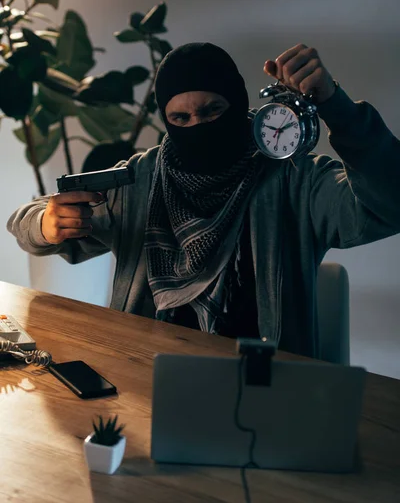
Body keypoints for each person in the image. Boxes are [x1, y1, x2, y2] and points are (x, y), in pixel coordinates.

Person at [7, 42, 400, 358]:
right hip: (147, 373)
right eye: (181, 119)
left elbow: (389, 205)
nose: (199, 127)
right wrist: (47, 223)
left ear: (239, 105)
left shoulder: (292, 177)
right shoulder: (140, 179)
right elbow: (25, 221)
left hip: (265, 388)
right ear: (166, 120)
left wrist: (338, 109)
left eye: (213, 111)